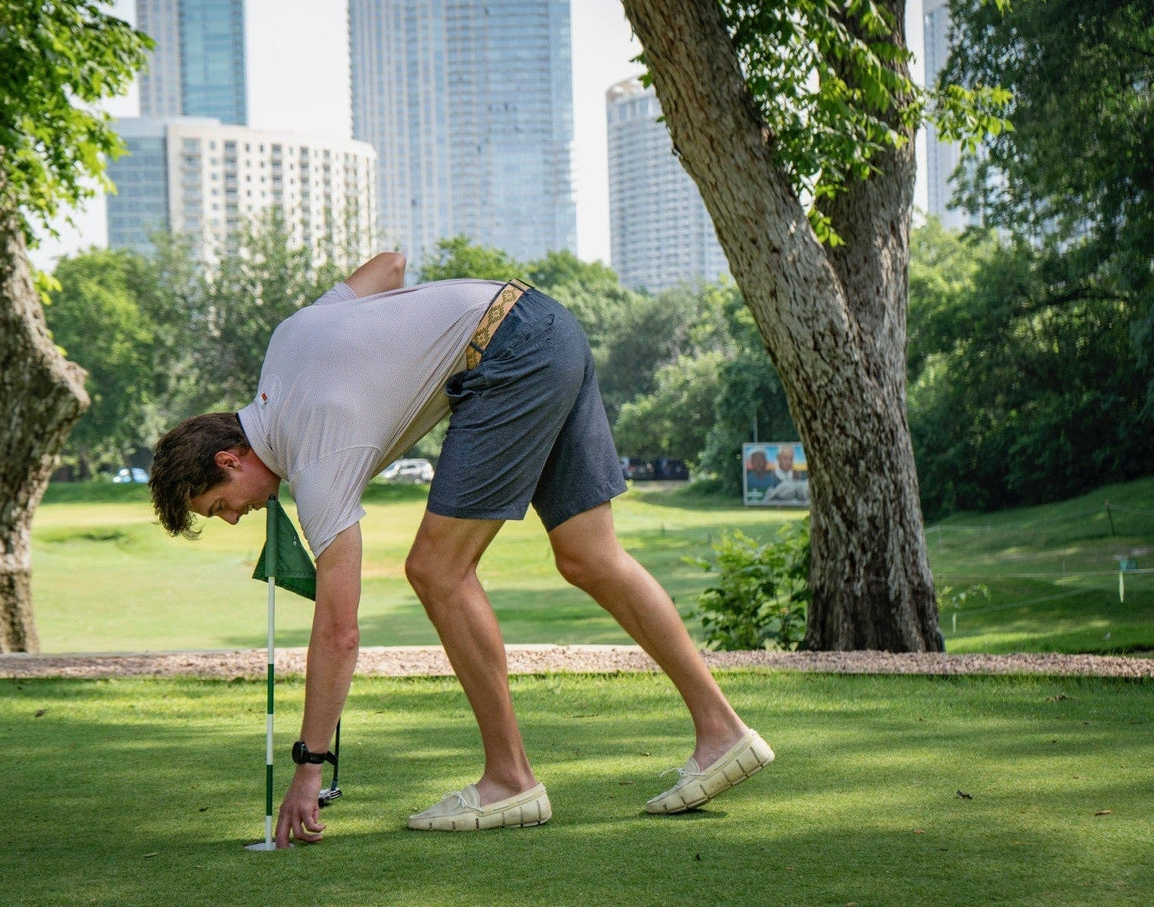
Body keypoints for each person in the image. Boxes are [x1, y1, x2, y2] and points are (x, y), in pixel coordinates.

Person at [150, 252, 773, 847]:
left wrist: (309, 768)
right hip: (547, 323)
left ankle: (510, 779)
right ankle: (722, 731)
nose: (234, 519)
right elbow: (390, 265)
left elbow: (339, 631)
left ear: (228, 459)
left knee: (437, 569)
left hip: (508, 359)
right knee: (589, 555)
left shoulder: (314, 450)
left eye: (220, 506)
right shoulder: (288, 340)